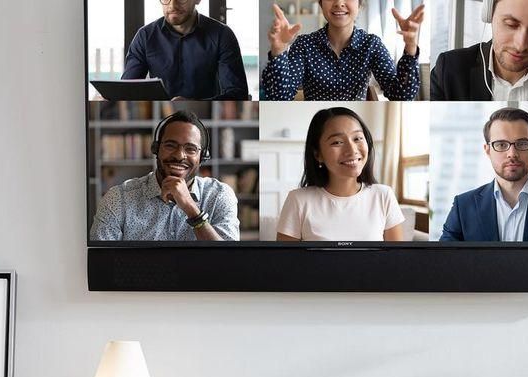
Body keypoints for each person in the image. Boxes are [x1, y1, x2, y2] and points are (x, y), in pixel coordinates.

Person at [90, 110, 239, 241]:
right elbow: (102, 264)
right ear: (156, 149)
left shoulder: (220, 195)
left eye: (191, 149)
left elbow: (229, 263)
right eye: (170, 145)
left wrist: (191, 209)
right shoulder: (118, 198)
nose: (180, 155)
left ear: (202, 157)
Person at [440, 108, 528, 242]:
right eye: (501, 145)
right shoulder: (463, 206)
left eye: (521, 144)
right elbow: (444, 261)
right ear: (488, 150)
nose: (512, 154)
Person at [276, 107, 406, 241]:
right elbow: (285, 261)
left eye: (357, 138)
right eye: (337, 142)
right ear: (318, 154)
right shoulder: (298, 200)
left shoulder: (384, 196)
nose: (352, 150)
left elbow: (396, 259)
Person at [262, 1, 424, 101]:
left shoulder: (371, 44)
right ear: (320, 3)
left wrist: (410, 47)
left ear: (360, 5)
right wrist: (279, 50)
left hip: (355, 120)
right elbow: (280, 96)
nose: (339, 2)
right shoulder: (304, 44)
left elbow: (401, 95)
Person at [122, 0, 249, 100]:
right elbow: (126, 90)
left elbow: (238, 94)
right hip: (159, 115)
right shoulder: (145, 36)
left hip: (205, 114)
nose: (172, 5)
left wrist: (194, 103)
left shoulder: (222, 35)